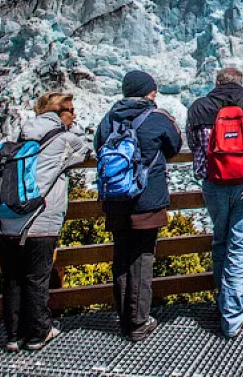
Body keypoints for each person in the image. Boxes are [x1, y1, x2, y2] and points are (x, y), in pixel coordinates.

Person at [0, 92, 91, 351]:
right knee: (36, 278)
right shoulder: (65, 139)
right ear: (58, 113)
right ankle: (38, 334)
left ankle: (13, 336)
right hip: (39, 220)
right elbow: (90, 152)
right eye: (70, 109)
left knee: (12, 279)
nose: (74, 115)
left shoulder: (19, 137)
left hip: (4, 220)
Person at [186, 66, 243, 337]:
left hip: (213, 184)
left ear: (216, 83)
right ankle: (232, 316)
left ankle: (222, 301)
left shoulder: (198, 107)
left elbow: (193, 144)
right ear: (241, 82)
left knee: (221, 240)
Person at [95, 70, 182, 341]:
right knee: (142, 259)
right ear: (147, 91)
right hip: (147, 200)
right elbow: (175, 146)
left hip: (116, 199)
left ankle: (124, 318)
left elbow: (98, 146)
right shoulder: (157, 118)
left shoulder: (108, 119)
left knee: (121, 257)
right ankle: (139, 322)